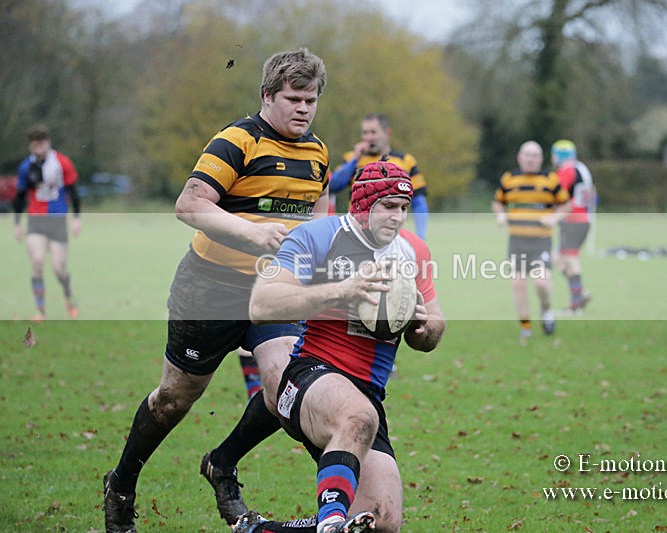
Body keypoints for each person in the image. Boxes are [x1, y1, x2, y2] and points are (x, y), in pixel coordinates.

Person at [103, 48, 330, 532]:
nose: (303, 108)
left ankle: (222, 463)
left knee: (284, 384)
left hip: (272, 291)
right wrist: (254, 234)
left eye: (311, 99)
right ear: (267, 95)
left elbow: (320, 217)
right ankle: (122, 481)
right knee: (174, 399)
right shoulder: (237, 141)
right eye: (293, 98)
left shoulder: (318, 154)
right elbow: (189, 204)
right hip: (209, 290)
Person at [233, 161, 446, 533]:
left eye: (403, 208)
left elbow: (433, 331)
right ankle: (330, 522)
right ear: (362, 206)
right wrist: (342, 290)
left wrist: (419, 324)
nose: (397, 217)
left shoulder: (414, 251)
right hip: (309, 376)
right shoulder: (319, 236)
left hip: (367, 393)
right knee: (358, 418)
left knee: (381, 522)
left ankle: (262, 530)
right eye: (388, 206)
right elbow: (261, 306)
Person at [492, 141, 570, 344]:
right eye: (527, 155)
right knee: (518, 283)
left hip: (541, 241)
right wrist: (500, 215)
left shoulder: (551, 180)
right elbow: (498, 202)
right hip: (517, 240)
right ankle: (525, 326)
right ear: (519, 157)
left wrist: (554, 218)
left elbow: (565, 205)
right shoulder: (509, 179)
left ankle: (546, 310)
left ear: (541, 159)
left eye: (535, 155)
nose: (531, 159)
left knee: (541, 282)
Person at [12, 125, 81, 321]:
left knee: (59, 267)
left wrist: (76, 218)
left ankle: (69, 299)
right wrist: (17, 223)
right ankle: (41, 310)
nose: (38, 150)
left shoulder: (62, 163)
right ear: (30, 147)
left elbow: (73, 191)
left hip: (57, 220)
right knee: (37, 263)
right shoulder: (26, 166)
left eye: (41, 145)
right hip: (35, 220)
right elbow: (19, 196)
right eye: (34, 146)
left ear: (48, 144)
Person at [327, 113, 429, 240]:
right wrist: (354, 160)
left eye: (373, 132)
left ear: (387, 132)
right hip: (356, 232)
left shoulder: (406, 161)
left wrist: (421, 236)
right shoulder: (351, 158)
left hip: (391, 233)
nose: (368, 137)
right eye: (365, 133)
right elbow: (333, 187)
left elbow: (419, 201)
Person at [550, 139, 594, 313]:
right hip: (583, 219)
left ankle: (577, 303)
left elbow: (556, 195)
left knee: (569, 259)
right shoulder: (582, 169)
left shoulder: (566, 170)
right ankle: (580, 293)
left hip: (573, 220)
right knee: (558, 258)